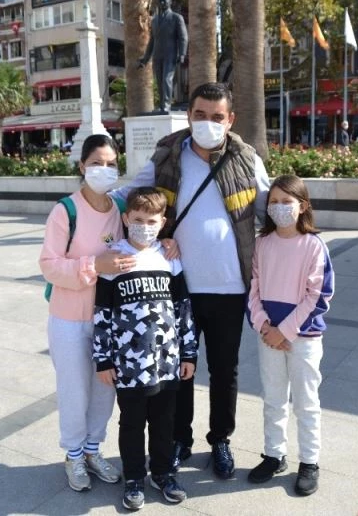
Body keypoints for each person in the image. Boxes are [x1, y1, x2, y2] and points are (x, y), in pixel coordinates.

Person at [113, 82, 271, 480]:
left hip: (230, 287)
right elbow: (133, 195)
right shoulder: (168, 155)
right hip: (177, 288)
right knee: (177, 370)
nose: (208, 123)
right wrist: (88, 203)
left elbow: (269, 206)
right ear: (189, 115)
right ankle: (179, 439)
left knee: (224, 370)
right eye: (200, 115)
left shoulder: (246, 158)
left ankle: (220, 439)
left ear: (230, 119)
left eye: (217, 117)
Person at [39, 134, 134, 493]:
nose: (103, 170)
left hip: (108, 319)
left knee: (104, 388)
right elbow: (49, 265)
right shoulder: (66, 210)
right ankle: (74, 455)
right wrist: (94, 265)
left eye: (111, 164)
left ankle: (94, 449)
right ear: (81, 166)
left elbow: (135, 239)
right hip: (69, 319)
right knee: (74, 390)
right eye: (96, 163)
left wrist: (166, 243)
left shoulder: (120, 208)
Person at [94, 187, 197, 510]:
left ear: (162, 223)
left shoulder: (169, 259)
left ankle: (163, 473)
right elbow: (102, 314)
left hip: (166, 362)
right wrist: (103, 359)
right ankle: (135, 477)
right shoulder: (115, 259)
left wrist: (189, 353)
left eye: (152, 221)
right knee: (132, 423)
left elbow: (183, 308)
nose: (144, 226)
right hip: (128, 365)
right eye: (138, 220)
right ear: (126, 219)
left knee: (165, 422)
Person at [246, 174, 334, 496]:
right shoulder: (262, 244)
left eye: (287, 201)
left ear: (303, 206)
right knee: (273, 398)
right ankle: (274, 454)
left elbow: (318, 295)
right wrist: (264, 326)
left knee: (306, 402)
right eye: (274, 202)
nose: (280, 207)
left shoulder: (314, 245)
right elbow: (252, 289)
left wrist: (284, 331)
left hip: (303, 337)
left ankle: (309, 461)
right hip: (268, 335)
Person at [138, 0, 187, 113]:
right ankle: (161, 105)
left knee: (166, 79)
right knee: (159, 82)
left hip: (170, 54)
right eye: (160, 1)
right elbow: (152, 41)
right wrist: (145, 59)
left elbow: (183, 37)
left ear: (170, 1)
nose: (162, 3)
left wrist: (182, 54)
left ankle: (166, 105)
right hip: (157, 55)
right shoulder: (154, 20)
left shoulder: (176, 18)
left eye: (164, 0)